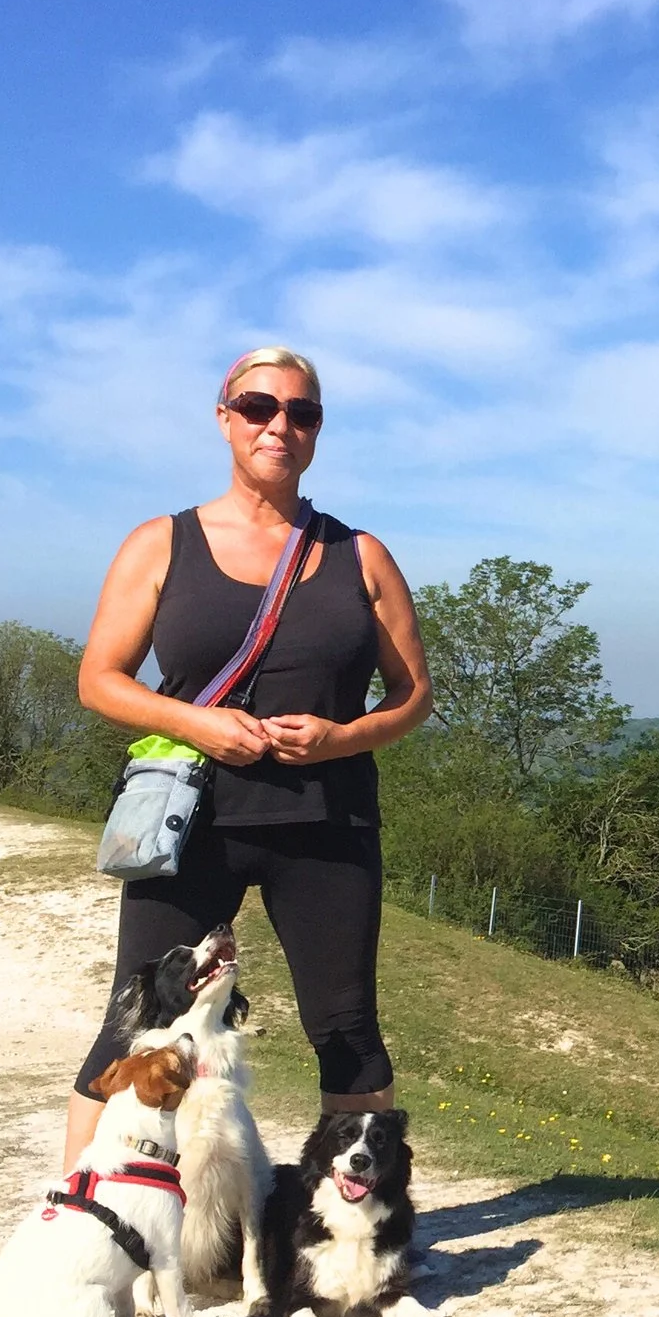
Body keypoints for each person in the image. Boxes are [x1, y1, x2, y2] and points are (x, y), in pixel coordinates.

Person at [63, 347, 432, 1168]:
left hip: (328, 823)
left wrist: (342, 738)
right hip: (193, 821)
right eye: (260, 407)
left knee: (346, 1031)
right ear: (225, 417)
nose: (280, 426)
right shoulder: (161, 544)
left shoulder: (360, 554)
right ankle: (89, 1218)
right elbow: (99, 679)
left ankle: (357, 1236)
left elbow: (413, 697)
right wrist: (199, 724)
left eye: (302, 413)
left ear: (316, 432)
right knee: (138, 1023)